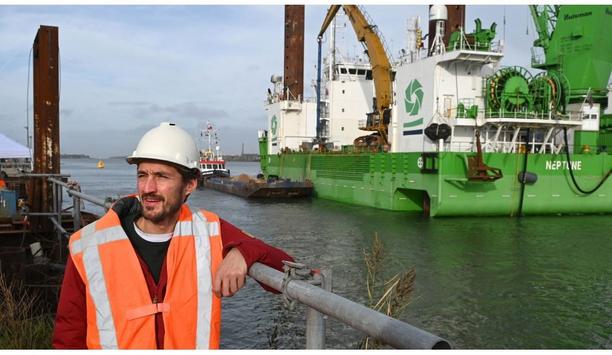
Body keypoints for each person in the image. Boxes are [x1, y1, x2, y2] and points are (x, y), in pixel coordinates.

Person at [53, 122, 294, 349]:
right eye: (142, 175)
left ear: (189, 185)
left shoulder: (208, 231)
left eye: (161, 177)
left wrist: (243, 253)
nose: (148, 188)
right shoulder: (89, 245)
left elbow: (286, 267)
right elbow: (68, 335)